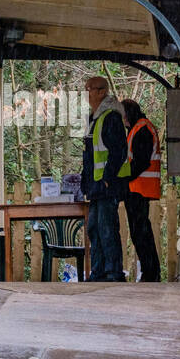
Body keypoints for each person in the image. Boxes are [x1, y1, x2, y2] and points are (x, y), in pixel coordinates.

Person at [80, 76, 129, 281]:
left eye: (89, 89)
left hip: (106, 185)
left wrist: (108, 178)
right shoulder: (94, 118)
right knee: (95, 229)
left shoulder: (111, 117)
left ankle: (113, 272)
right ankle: (98, 271)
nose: (86, 94)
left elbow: (118, 151)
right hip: (96, 186)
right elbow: (89, 155)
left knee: (107, 229)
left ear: (101, 91)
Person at [121, 99, 162, 282]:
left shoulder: (141, 129)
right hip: (138, 188)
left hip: (139, 188)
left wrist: (124, 177)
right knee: (140, 233)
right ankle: (149, 271)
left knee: (141, 233)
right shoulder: (138, 128)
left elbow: (140, 161)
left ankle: (150, 272)